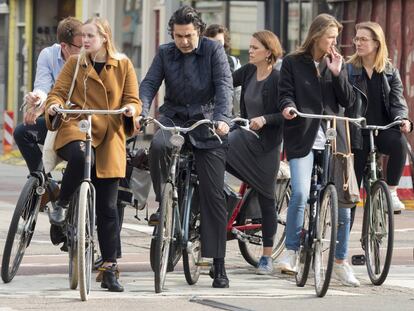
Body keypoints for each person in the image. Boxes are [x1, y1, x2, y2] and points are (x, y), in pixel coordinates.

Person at [139, 6, 233, 288]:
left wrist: (222, 119)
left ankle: (218, 264)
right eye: (179, 36)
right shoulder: (165, 52)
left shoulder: (214, 51)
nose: (184, 41)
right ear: (172, 34)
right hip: (174, 117)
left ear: (199, 31)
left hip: (208, 122)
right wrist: (142, 110)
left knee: (213, 194)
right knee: (157, 145)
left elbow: (224, 86)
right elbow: (149, 84)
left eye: (189, 35)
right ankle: (163, 202)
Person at [45, 17, 141, 292]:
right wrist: (53, 106)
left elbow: (132, 99)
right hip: (78, 125)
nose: (85, 40)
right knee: (79, 155)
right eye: (82, 36)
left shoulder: (122, 64)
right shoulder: (75, 63)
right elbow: (59, 92)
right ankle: (62, 204)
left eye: (90, 36)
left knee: (108, 209)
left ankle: (110, 268)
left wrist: (131, 111)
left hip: (110, 133)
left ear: (104, 37)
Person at [275, 14, 360, 287]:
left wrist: (337, 74)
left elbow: (346, 101)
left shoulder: (337, 63)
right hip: (302, 135)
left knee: (344, 205)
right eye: (330, 37)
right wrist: (288, 107)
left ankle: (340, 261)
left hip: (334, 139)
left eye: (336, 37)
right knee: (300, 192)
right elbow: (284, 93)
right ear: (316, 36)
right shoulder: (292, 62)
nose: (335, 42)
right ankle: (291, 251)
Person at [226, 30, 283, 274]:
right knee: (215, 149)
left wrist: (266, 119)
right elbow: (225, 82)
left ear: (268, 52)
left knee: (267, 196)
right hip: (246, 137)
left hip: (266, 146)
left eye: (255, 48)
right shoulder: (248, 71)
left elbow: (287, 112)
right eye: (249, 47)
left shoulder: (279, 79)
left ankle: (267, 257)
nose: (249, 51)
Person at [346, 21, 412, 216]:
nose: (358, 43)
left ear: (376, 43)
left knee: (400, 143)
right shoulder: (348, 70)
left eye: (363, 39)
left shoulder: (390, 71)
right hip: (357, 134)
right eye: (356, 39)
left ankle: (391, 192)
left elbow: (397, 101)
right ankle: (343, 242)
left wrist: (403, 119)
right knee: (350, 196)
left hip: (382, 130)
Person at [13, 16, 83, 194]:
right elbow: (43, 87)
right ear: (64, 46)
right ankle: (46, 183)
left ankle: (69, 196)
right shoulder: (48, 55)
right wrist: (37, 99)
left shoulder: (89, 58)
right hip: (57, 120)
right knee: (22, 132)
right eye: (79, 46)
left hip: (82, 122)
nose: (84, 49)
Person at [205, 24, 241, 115]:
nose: (215, 46)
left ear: (225, 42)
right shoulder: (199, 62)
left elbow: (238, 92)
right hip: (202, 115)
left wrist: (238, 116)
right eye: (211, 42)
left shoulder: (233, 62)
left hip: (225, 114)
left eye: (219, 42)